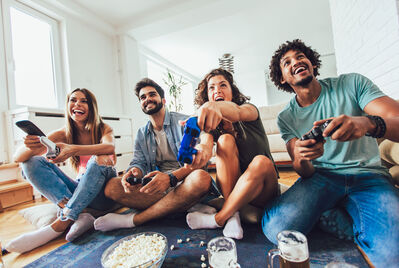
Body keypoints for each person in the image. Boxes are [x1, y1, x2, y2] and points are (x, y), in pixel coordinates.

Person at [262, 39, 399, 267]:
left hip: (369, 177)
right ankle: (350, 219)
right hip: (320, 178)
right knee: (277, 230)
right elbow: (302, 170)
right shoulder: (286, 117)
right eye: (287, 62)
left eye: (300, 56)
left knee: (392, 255)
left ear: (312, 63)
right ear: (283, 78)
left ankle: (334, 216)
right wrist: (303, 157)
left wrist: (368, 124)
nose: (296, 61)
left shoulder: (352, 83)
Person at [93, 78, 215, 232]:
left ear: (163, 100)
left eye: (152, 94)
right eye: (142, 97)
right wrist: (134, 171)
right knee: (111, 187)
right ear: (140, 104)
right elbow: (139, 161)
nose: (147, 99)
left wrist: (171, 178)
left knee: (201, 178)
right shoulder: (141, 133)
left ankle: (133, 220)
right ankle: (186, 205)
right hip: (159, 186)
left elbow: (200, 162)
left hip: (185, 181)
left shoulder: (184, 122)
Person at [6, 88, 117, 253]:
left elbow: (109, 146)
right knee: (31, 162)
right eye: (73, 100)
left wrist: (72, 149)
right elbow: (19, 157)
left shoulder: (103, 128)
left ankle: (62, 222)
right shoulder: (63, 133)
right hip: (80, 190)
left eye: (83, 101)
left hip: (103, 194)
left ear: (91, 106)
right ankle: (79, 215)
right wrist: (32, 145)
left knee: (98, 158)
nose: (77, 104)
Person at [185, 68, 279, 239]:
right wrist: (198, 155)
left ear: (232, 91)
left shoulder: (249, 111)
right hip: (233, 188)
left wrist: (211, 106)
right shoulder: (211, 128)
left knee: (261, 162)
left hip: (263, 188)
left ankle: (219, 218)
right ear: (207, 95)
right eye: (211, 88)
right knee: (225, 141)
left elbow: (237, 111)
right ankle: (233, 216)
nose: (217, 91)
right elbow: (205, 147)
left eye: (223, 85)